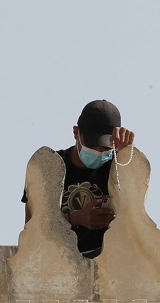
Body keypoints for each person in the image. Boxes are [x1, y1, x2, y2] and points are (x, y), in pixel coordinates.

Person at [22, 100, 135, 258]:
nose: (97, 151)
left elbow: (135, 220)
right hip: (56, 262)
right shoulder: (49, 168)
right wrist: (74, 218)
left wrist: (125, 156)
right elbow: (31, 230)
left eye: (104, 148)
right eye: (92, 145)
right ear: (76, 132)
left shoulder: (116, 169)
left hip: (107, 264)